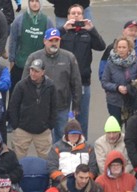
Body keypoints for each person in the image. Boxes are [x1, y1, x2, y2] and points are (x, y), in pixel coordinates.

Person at [24, 29, 82, 141]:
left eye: (57, 40)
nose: (54, 43)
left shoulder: (69, 57)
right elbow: (24, 84)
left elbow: (76, 82)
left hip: (62, 107)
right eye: (51, 40)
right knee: (43, 139)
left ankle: (60, 158)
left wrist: (76, 106)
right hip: (40, 108)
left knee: (62, 136)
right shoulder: (34, 57)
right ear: (45, 41)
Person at [59, 4, 105, 135]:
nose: (76, 15)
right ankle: (62, 145)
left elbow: (101, 46)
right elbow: (47, 43)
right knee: (62, 117)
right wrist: (63, 29)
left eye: (79, 13)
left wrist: (92, 30)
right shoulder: (62, 33)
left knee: (82, 117)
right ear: (68, 16)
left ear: (83, 16)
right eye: (73, 13)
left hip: (83, 82)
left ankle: (82, 144)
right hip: (64, 83)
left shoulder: (88, 33)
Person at [7, 58, 57, 160]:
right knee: (19, 159)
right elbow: (13, 106)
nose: (33, 73)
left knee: (46, 161)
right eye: (32, 70)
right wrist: (16, 126)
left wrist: (50, 126)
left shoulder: (50, 86)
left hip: (43, 131)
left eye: (36, 71)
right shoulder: (21, 85)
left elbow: (54, 106)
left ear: (43, 72)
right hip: (22, 130)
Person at [100, 38, 137, 125]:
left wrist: (131, 86)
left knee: (131, 128)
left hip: (132, 101)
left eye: (124, 47)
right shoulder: (110, 63)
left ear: (129, 48)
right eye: (119, 47)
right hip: (114, 102)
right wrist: (117, 87)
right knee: (116, 128)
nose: (121, 50)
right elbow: (104, 82)